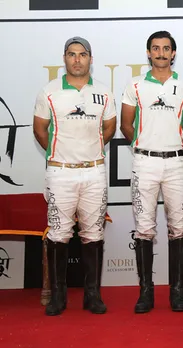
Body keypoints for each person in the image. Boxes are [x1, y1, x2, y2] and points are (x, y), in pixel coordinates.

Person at [33, 36, 117, 316]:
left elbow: (109, 128)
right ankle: (58, 296)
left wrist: (86, 152)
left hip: (94, 171)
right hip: (61, 172)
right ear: (65, 58)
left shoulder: (104, 92)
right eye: (72, 54)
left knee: (93, 234)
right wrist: (63, 154)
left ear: (91, 59)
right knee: (58, 234)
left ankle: (92, 295)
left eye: (83, 54)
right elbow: (40, 130)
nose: (77, 59)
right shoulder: (49, 91)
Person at [120, 31, 183, 313]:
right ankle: (146, 292)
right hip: (144, 163)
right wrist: (142, 144)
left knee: (179, 228)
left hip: (177, 163)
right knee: (144, 228)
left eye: (166, 49)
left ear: (173, 53)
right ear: (148, 53)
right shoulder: (135, 85)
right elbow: (126, 124)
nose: (161, 53)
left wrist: (178, 142)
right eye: (156, 48)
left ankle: (177, 292)